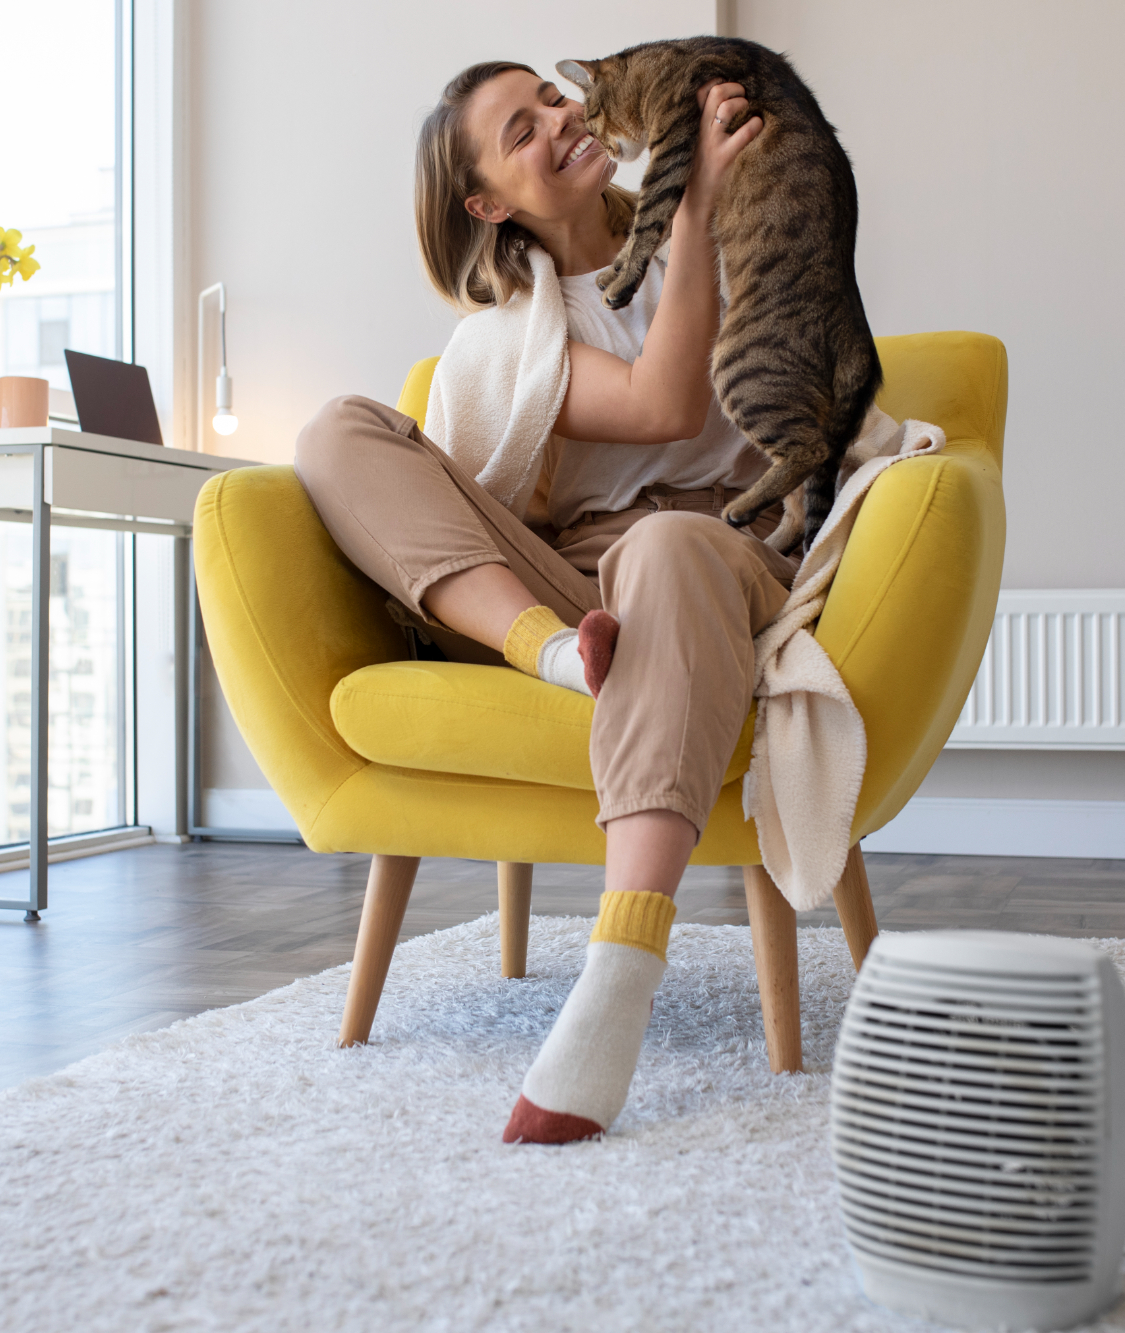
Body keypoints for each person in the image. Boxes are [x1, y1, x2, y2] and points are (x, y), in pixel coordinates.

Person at [293, 60, 779, 1145]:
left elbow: (716, 389)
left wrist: (698, 200)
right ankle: (550, 652)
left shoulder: (715, 223)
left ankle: (618, 970)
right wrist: (691, 202)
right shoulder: (512, 335)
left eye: (554, 98)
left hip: (725, 549)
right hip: (570, 586)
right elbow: (660, 399)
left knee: (665, 544)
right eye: (523, 130)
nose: (562, 119)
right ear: (489, 202)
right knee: (333, 429)